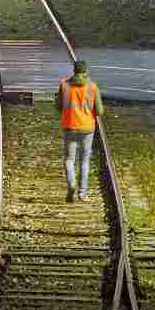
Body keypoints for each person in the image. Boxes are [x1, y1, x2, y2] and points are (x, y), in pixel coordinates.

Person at [56, 60, 103, 203]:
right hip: (87, 128)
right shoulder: (93, 87)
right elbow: (100, 111)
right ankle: (83, 193)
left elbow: (58, 106)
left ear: (74, 71)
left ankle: (71, 183)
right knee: (84, 161)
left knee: (69, 159)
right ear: (86, 71)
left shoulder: (64, 85)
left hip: (69, 126)